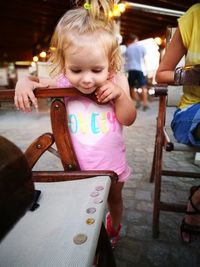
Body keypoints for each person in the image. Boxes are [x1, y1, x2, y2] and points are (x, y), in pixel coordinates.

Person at [14, 0, 137, 248]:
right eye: (76, 69)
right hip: (76, 164)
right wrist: (24, 83)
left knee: (114, 200)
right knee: (82, 202)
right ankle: (86, 237)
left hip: (112, 163)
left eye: (97, 69)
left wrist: (120, 95)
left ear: (110, 62)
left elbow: (129, 118)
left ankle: (113, 228)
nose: (87, 79)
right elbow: (35, 79)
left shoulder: (117, 80)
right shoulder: (61, 80)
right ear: (63, 62)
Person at [155, 3, 200, 243]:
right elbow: (161, 74)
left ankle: (198, 198)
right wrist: (193, 74)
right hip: (193, 110)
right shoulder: (195, 16)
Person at [125, 33, 149, 111]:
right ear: (136, 39)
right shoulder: (141, 47)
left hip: (131, 69)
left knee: (131, 86)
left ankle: (137, 99)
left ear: (129, 40)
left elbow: (126, 59)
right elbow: (144, 58)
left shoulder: (128, 48)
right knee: (143, 86)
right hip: (139, 69)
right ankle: (145, 103)